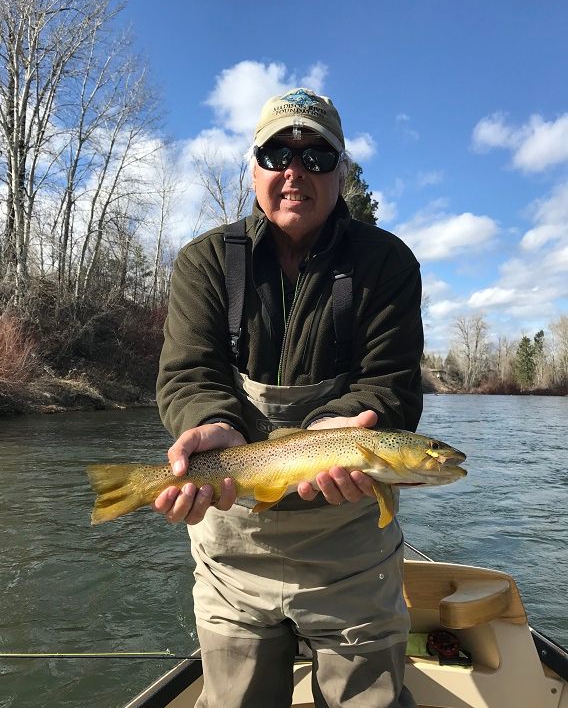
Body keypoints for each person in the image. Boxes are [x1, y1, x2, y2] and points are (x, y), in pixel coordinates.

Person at [153, 87, 423, 708]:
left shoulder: (387, 263)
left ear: (342, 171)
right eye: (277, 154)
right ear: (253, 169)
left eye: (317, 156)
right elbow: (190, 373)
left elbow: (391, 383)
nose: (294, 171)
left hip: (351, 547)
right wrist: (210, 422)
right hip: (232, 538)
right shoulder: (205, 262)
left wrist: (339, 435)